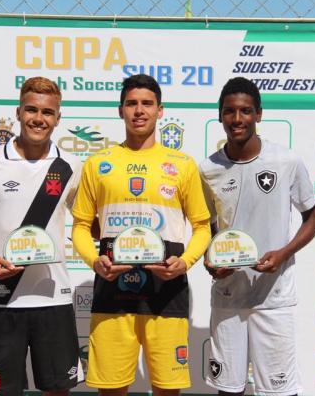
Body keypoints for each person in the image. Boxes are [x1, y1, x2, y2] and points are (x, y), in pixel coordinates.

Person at [71, 74, 211, 396]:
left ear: (160, 111)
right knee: (111, 390)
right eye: (131, 103)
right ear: (120, 110)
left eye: (147, 103)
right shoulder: (98, 163)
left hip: (166, 291)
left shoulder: (182, 165)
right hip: (112, 292)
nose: (139, 110)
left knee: (167, 389)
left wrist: (186, 262)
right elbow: (80, 226)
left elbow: (202, 227)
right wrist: (94, 261)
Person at [0, 77, 83, 396]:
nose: (39, 118)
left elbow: (85, 223)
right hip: (2, 297)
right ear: (18, 112)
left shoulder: (70, 165)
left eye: (47, 112)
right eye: (31, 110)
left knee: (58, 391)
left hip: (53, 297)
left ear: (58, 118)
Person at [200, 77, 315, 396]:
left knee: (280, 392)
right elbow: (209, 230)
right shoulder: (208, 169)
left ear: (259, 114)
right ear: (220, 115)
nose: (237, 118)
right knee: (228, 390)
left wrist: (283, 253)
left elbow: (313, 219)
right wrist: (210, 262)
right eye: (229, 111)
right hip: (228, 295)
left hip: (274, 296)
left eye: (245, 111)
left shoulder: (286, 160)